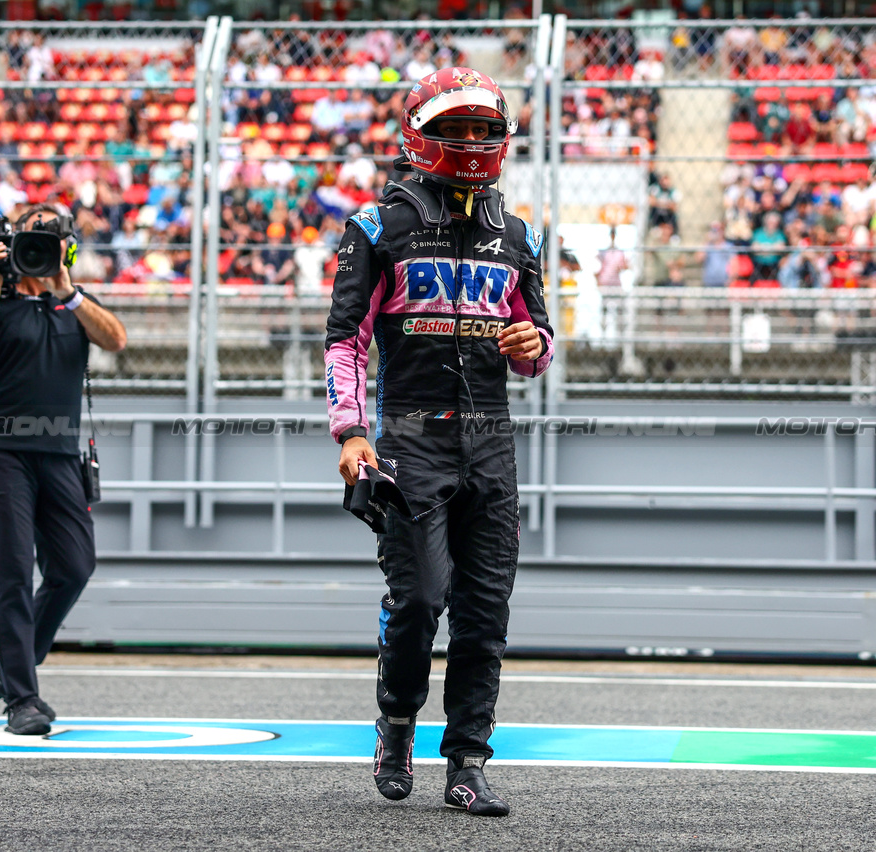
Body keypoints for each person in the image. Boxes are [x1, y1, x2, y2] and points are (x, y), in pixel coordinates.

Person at [324, 67, 553, 818]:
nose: (471, 141)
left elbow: (536, 351)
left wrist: (532, 342)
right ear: (420, 133)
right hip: (408, 441)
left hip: (492, 442)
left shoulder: (519, 236)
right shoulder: (373, 228)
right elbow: (346, 342)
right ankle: (396, 723)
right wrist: (351, 431)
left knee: (486, 612)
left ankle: (467, 763)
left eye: (483, 128)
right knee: (420, 597)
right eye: (454, 128)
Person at [0, 204, 127, 736]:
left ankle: (10, 667)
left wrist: (67, 289)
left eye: (51, 238)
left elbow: (115, 339)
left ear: (66, 248)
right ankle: (22, 698)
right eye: (32, 236)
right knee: (14, 570)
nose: (39, 248)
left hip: (61, 451)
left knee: (74, 565)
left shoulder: (74, 302)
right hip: (0, 451)